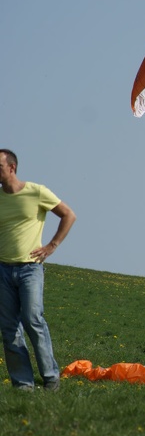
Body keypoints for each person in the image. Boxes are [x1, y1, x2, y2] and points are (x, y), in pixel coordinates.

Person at [0, 149, 76, 391]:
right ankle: (23, 384)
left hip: (30, 269)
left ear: (11, 168)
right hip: (2, 269)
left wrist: (52, 246)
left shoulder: (37, 191)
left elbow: (68, 215)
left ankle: (51, 377)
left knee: (33, 319)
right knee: (9, 328)